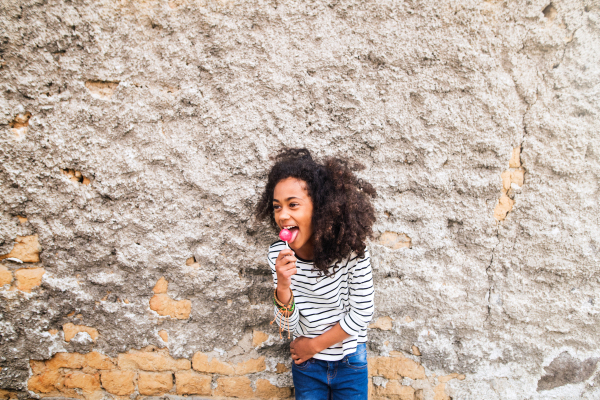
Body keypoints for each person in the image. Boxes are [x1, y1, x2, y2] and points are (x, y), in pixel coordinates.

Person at [255, 148, 377, 400]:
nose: (282, 215)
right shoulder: (278, 255)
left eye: (293, 205)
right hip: (307, 366)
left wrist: (313, 345)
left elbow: (362, 312)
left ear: (320, 209)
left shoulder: (351, 253)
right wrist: (283, 287)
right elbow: (288, 326)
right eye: (277, 207)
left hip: (349, 358)